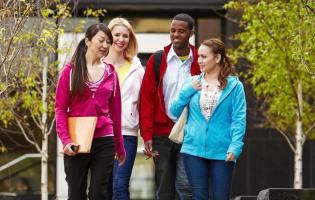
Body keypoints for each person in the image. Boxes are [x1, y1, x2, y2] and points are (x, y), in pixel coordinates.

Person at [55, 23, 126, 200]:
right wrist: (66, 140)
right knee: (76, 194)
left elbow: (116, 113)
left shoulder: (111, 73)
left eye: (108, 42)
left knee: (99, 193)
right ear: (87, 41)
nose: (106, 45)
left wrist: (120, 145)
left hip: (105, 139)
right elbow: (60, 109)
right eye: (101, 40)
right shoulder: (70, 72)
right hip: (77, 140)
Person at [170, 38, 246, 200]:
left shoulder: (234, 86)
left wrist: (235, 146)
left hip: (222, 151)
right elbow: (174, 110)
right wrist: (188, 91)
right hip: (193, 149)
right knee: (199, 196)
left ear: (217, 58)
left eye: (204, 57)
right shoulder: (192, 82)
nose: (199, 60)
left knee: (221, 197)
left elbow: (239, 119)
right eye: (198, 56)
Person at [140, 13, 200, 200]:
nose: (175, 35)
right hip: (161, 133)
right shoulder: (157, 60)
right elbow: (147, 99)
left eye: (181, 31)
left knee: (185, 185)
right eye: (172, 31)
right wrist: (147, 134)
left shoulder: (201, 59)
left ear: (191, 32)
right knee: (164, 188)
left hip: (190, 131)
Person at [103, 17, 144, 200]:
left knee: (120, 185)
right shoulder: (98, 65)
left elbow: (144, 102)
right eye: (116, 34)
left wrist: (147, 134)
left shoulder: (137, 67)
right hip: (101, 134)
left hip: (127, 133)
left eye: (125, 36)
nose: (121, 39)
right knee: (103, 187)